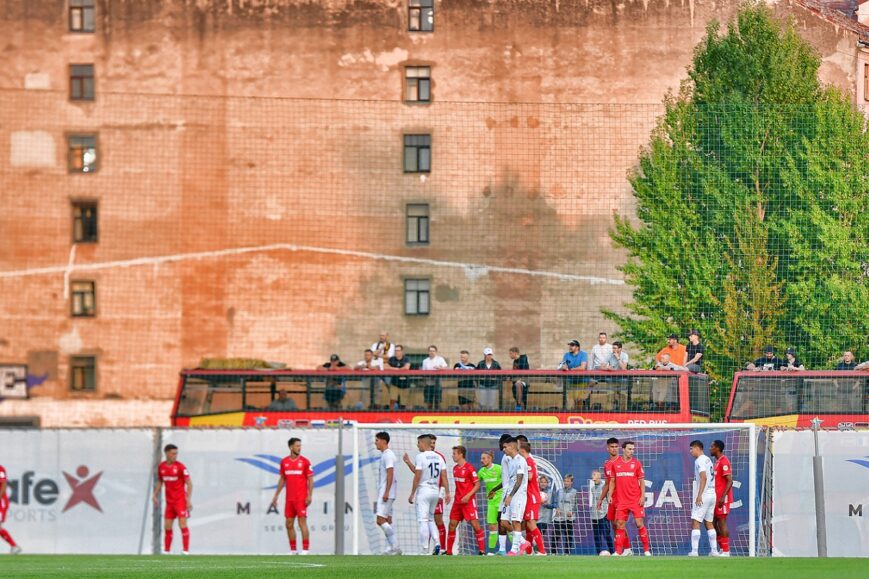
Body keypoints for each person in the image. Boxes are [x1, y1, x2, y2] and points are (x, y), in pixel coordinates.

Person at [403, 434, 449, 550]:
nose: (417, 445)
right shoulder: (439, 457)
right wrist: (447, 493)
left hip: (424, 490)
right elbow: (444, 476)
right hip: (435, 491)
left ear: (423, 443)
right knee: (430, 519)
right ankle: (437, 543)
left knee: (423, 520)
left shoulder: (421, 456)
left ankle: (424, 549)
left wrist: (412, 493)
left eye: (418, 443)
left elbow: (417, 476)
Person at [270, 437, 314, 555]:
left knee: (302, 523)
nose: (299, 448)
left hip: (301, 498)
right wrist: (276, 496)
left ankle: (305, 550)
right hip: (289, 499)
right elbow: (282, 479)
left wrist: (309, 495)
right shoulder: (284, 462)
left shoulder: (305, 461)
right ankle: (293, 550)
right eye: (297, 446)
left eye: (300, 446)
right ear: (291, 447)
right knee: (288, 524)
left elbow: (310, 479)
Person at [608, 441, 651, 556]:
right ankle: (618, 551)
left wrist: (642, 496)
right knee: (620, 524)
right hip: (622, 501)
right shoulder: (615, 464)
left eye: (633, 449)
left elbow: (641, 481)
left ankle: (646, 551)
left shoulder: (636, 463)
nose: (632, 451)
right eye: (629, 449)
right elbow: (612, 481)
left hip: (635, 500)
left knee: (639, 523)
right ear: (623, 449)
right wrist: (610, 495)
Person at [446, 445, 486, 555]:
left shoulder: (469, 468)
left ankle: (482, 551)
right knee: (452, 524)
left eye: (454, 453)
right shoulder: (455, 469)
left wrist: (468, 496)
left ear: (461, 454)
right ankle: (449, 551)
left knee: (475, 525)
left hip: (468, 502)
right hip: (458, 502)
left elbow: (477, 484)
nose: (452, 455)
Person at [153, 444, 193, 555]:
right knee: (167, 527)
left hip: (180, 501)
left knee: (183, 525)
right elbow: (160, 481)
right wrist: (155, 494)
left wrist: (188, 500)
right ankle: (167, 551)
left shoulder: (181, 467)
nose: (175, 455)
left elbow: (189, 484)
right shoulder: (161, 467)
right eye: (173, 453)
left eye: (176, 453)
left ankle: (185, 551)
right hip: (169, 502)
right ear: (166, 453)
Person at [688, 440, 719, 557]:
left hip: (704, 494)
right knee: (709, 523)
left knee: (695, 521)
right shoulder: (708, 459)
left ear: (697, 448)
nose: (690, 451)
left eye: (691, 449)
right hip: (712, 493)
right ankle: (714, 551)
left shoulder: (699, 460)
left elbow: (703, 477)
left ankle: (694, 551)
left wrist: (699, 494)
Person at [374, 432, 401, 555]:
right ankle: (392, 547)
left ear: (384, 441)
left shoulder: (388, 455)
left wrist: (386, 492)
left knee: (380, 520)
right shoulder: (385, 454)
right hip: (388, 491)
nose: (376, 442)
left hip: (386, 492)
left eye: (377, 440)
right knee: (387, 520)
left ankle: (395, 546)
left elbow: (390, 473)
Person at [518, 440, 546, 555]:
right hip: (529, 496)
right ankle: (529, 551)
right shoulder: (529, 461)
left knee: (530, 523)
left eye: (518, 450)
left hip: (532, 496)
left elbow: (529, 478)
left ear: (522, 450)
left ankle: (542, 551)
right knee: (528, 525)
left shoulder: (528, 461)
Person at [502, 437, 529, 556]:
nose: (503, 449)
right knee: (503, 521)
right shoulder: (510, 460)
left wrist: (511, 496)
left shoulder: (520, 461)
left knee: (515, 521)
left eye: (505, 447)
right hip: (510, 495)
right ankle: (523, 542)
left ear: (512, 447)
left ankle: (514, 549)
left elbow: (519, 480)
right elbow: (511, 480)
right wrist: (506, 495)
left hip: (518, 496)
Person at [597, 437, 620, 552]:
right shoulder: (607, 465)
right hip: (611, 498)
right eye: (612, 447)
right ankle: (618, 550)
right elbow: (606, 484)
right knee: (614, 525)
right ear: (608, 448)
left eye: (616, 447)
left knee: (620, 523)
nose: (614, 449)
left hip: (622, 497)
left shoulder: (623, 461)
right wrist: (601, 499)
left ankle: (626, 548)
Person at [711, 440, 733, 557]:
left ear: (717, 448)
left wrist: (723, 497)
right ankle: (721, 548)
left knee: (722, 522)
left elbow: (730, 480)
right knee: (713, 523)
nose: (710, 449)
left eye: (712, 447)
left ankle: (726, 551)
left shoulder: (724, 461)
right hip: (715, 498)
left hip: (722, 499)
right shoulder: (717, 462)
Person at [478, 450, 503, 554]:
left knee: (505, 526)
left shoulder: (499, 468)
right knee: (492, 526)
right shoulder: (481, 472)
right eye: (481, 458)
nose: (481, 460)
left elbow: (507, 482)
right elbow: (474, 482)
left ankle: (518, 548)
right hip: (491, 502)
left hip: (502, 500)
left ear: (490, 458)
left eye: (484, 458)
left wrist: (495, 491)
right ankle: (491, 552)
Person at [551, 473, 577, 555]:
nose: (566, 482)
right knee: (555, 535)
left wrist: (572, 511)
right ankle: (554, 552)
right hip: (559, 517)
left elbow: (576, 505)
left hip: (569, 518)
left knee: (568, 536)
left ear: (571, 482)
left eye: (568, 481)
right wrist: (556, 508)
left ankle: (567, 553)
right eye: (565, 481)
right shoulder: (559, 491)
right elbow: (555, 502)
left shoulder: (574, 492)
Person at [590, 469, 614, 556]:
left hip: (604, 514)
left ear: (599, 476)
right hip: (594, 515)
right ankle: (598, 553)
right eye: (592, 475)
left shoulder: (605, 486)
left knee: (606, 534)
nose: (593, 476)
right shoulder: (592, 488)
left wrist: (608, 512)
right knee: (597, 536)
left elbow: (609, 499)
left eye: (595, 474)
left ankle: (613, 552)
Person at [0, 464, 21, 554]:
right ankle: (14, 546)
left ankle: (14, 546)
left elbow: (4, 485)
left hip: (1, 503)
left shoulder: (0, 469)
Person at [421, 345, 448, 410]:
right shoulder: (425, 361)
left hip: (437, 384)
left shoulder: (440, 359)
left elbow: (446, 368)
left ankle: (437, 417)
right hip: (428, 384)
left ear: (436, 352)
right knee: (428, 403)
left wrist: (439, 368)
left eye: (433, 351)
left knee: (437, 403)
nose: (432, 352)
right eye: (430, 351)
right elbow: (423, 372)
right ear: (428, 352)